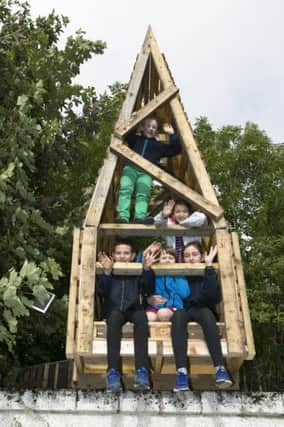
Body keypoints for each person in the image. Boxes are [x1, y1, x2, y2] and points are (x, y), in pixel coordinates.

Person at [97, 240, 159, 392]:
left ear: (132, 256)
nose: (122, 256)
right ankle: (112, 372)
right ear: (113, 256)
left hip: (134, 309)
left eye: (126, 253)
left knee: (141, 318)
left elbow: (148, 289)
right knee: (113, 320)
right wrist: (106, 273)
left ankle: (142, 371)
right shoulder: (110, 271)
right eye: (118, 253)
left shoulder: (136, 271)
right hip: (114, 309)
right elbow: (102, 292)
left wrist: (146, 270)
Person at [170, 241, 233, 391]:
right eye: (186, 256)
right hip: (184, 309)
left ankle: (220, 368)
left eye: (194, 254)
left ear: (202, 256)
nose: (190, 258)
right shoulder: (181, 272)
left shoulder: (208, 271)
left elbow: (213, 296)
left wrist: (209, 266)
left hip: (202, 309)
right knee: (178, 316)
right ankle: (181, 372)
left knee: (207, 314)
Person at [116, 117, 181, 224]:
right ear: (143, 128)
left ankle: (140, 217)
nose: (151, 129)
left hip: (146, 172)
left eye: (154, 127)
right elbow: (126, 132)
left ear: (156, 131)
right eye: (148, 126)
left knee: (143, 194)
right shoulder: (135, 139)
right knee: (125, 190)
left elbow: (175, 149)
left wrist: (172, 134)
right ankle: (123, 216)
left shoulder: (158, 146)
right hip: (130, 168)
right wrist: (135, 120)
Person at [146, 247, 190, 321]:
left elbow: (184, 293)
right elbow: (147, 288)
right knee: (149, 317)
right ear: (158, 261)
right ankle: (153, 332)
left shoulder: (179, 275)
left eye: (171, 258)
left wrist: (175, 275)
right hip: (156, 306)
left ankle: (166, 333)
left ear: (175, 261)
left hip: (174, 306)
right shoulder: (156, 275)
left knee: (163, 313)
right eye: (164, 258)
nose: (167, 260)